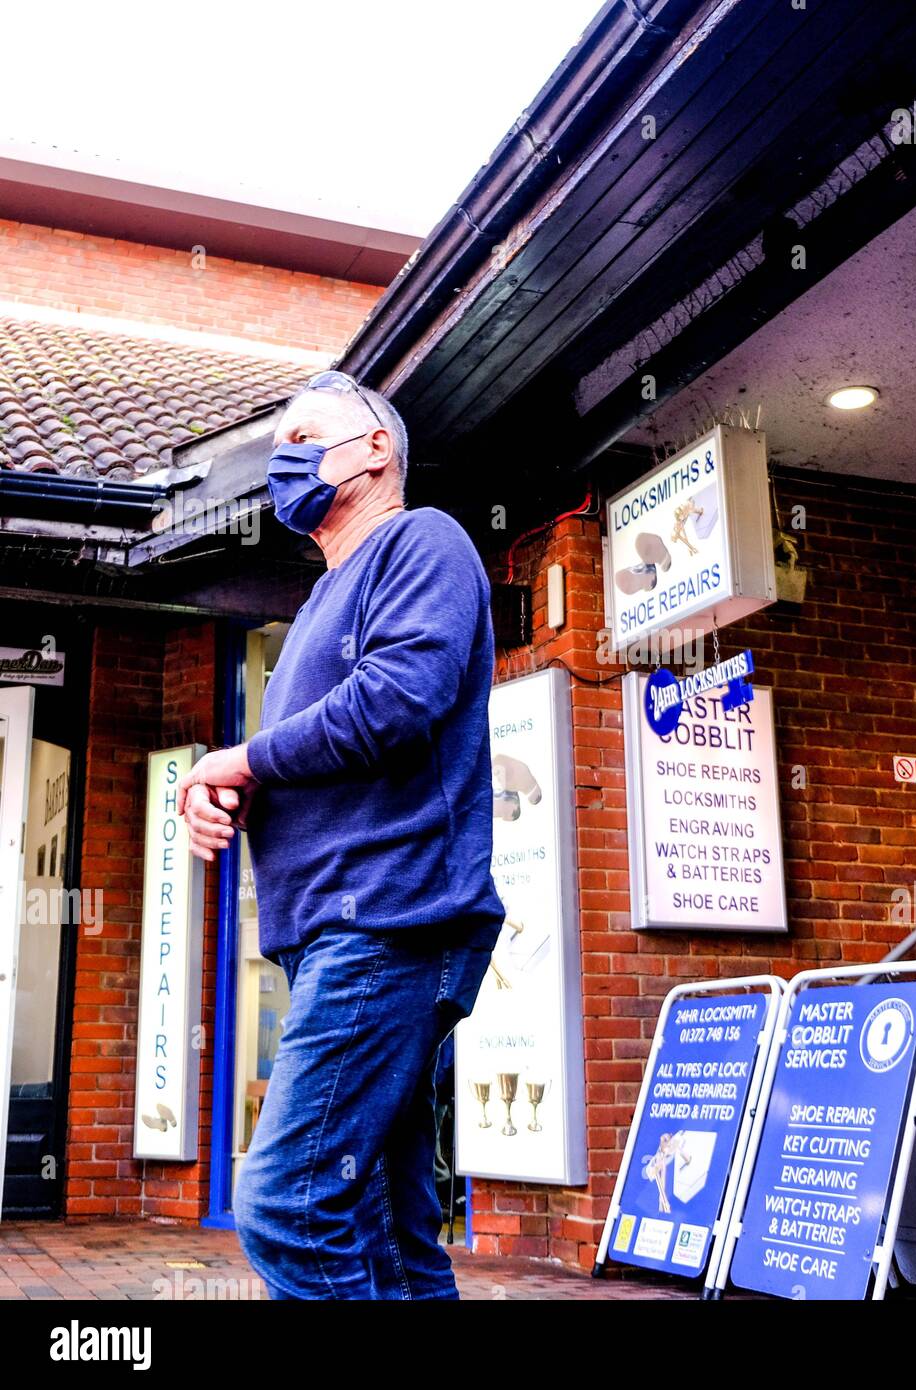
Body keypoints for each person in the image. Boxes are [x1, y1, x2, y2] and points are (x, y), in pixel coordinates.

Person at [178, 370, 505, 1299]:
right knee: (389, 1230)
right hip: (335, 934)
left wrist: (239, 761)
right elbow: (309, 760)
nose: (282, 457)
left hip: (388, 922)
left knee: (285, 1203)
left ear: (374, 449)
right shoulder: (320, 603)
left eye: (302, 434)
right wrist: (227, 796)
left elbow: (396, 701)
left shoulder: (420, 539)